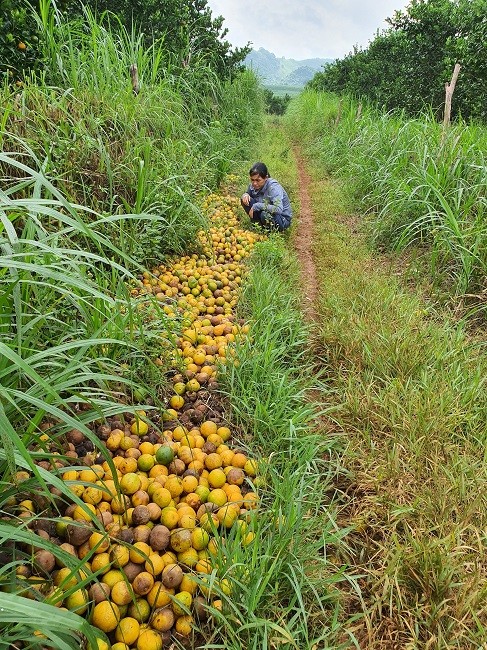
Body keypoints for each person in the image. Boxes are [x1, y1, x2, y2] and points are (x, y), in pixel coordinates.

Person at [240, 162, 292, 232]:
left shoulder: (273, 187)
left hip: (281, 219)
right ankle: (258, 226)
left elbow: (278, 209)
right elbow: (248, 193)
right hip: (265, 211)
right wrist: (245, 195)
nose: (254, 183)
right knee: (245, 199)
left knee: (265, 214)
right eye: (252, 180)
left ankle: (272, 231)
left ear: (266, 178)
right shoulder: (254, 184)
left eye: (258, 180)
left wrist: (258, 206)